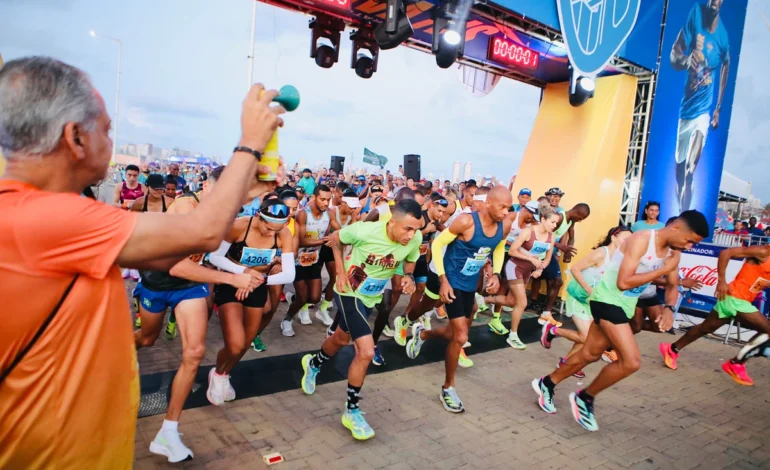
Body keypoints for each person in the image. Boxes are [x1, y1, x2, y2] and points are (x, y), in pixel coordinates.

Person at [0, 57, 284, 468]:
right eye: (107, 129)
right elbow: (201, 234)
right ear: (75, 136)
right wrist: (250, 142)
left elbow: (173, 248)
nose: (111, 141)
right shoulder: (44, 218)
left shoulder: (41, 211)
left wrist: (239, 195)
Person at [532, 210, 708, 432]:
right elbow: (624, 282)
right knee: (631, 361)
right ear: (676, 228)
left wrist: (670, 308)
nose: (690, 246)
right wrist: (662, 270)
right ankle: (585, 397)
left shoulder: (674, 253)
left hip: (624, 305)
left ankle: (546, 383)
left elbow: (672, 285)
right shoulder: (642, 240)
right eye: (690, 240)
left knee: (590, 354)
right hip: (606, 299)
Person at [300, 199, 422, 440]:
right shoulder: (365, 230)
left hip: (369, 296)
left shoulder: (414, 239)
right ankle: (351, 410)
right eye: (407, 229)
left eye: (417, 229)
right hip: (349, 292)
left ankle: (313, 363)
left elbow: (410, 260)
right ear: (392, 222)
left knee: (340, 338)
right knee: (365, 352)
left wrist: (408, 276)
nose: (412, 235)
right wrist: (341, 274)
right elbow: (335, 239)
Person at [405, 186, 512, 413]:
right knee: (461, 336)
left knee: (454, 334)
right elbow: (437, 244)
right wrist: (443, 280)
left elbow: (500, 247)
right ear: (489, 203)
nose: (506, 212)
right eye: (502, 207)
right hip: (452, 281)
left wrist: (495, 273)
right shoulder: (466, 222)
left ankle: (422, 334)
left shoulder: (505, 225)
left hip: (469, 283)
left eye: (509, 208)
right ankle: (448, 388)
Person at [206, 199, 296, 403]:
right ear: (258, 216)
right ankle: (218, 374)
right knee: (235, 344)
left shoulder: (284, 233)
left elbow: (289, 274)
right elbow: (215, 257)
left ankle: (223, 374)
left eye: (277, 229)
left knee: (246, 342)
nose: (272, 233)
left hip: (257, 286)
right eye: (268, 227)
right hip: (231, 283)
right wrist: (243, 273)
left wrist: (258, 280)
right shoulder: (239, 225)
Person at [660, 243, 770, 386]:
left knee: (705, 328)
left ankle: (672, 349)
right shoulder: (763, 251)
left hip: (732, 299)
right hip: (735, 299)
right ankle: (736, 363)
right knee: (767, 330)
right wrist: (721, 281)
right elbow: (726, 253)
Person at [540, 226, 632, 378]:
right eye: (624, 238)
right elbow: (576, 269)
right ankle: (552, 330)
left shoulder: (620, 257)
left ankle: (566, 362)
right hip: (578, 296)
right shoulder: (601, 253)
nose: (627, 242)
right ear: (614, 237)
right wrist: (589, 289)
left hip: (593, 302)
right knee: (585, 337)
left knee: (587, 338)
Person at [670, 0, 730, 212]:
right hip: (685, 113)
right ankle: (680, 212)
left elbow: (726, 66)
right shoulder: (695, 15)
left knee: (689, 169)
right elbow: (674, 54)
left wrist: (718, 109)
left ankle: (685, 217)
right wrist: (685, 60)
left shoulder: (722, 37)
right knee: (679, 175)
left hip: (703, 114)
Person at [485, 200, 558, 350]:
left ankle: (483, 298)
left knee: (512, 301)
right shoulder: (528, 232)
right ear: (543, 219)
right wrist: (531, 259)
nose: (554, 225)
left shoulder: (552, 236)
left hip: (528, 271)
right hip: (515, 267)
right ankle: (513, 335)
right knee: (522, 303)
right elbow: (512, 251)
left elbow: (548, 257)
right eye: (552, 222)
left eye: (556, 223)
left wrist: (540, 268)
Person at [281, 185, 340, 335]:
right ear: (314, 198)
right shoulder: (302, 214)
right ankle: (287, 320)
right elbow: (300, 241)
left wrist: (341, 236)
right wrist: (324, 241)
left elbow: (339, 230)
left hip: (314, 260)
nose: (326, 203)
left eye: (328, 199)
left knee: (314, 298)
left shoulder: (330, 213)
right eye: (322, 199)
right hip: (298, 261)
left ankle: (293, 298)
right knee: (303, 298)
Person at [532, 195, 591, 327]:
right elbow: (545, 235)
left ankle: (546, 313)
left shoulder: (571, 221)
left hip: (548, 253)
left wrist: (568, 250)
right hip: (538, 252)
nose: (580, 221)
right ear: (576, 212)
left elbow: (572, 235)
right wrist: (561, 247)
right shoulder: (558, 218)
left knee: (557, 281)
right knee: (519, 279)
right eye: (580, 218)